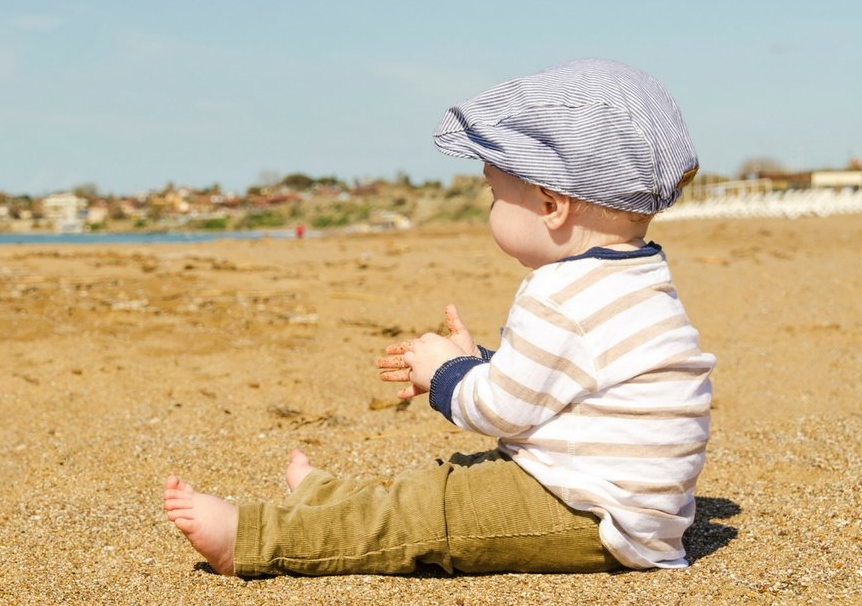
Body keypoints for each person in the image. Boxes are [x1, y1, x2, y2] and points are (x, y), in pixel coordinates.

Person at [163, 59, 715, 576]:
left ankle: (255, 539)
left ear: (551, 205)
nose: (491, 208)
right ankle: (328, 500)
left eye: (496, 195)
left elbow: (502, 412)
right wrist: (480, 362)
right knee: (448, 479)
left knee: (431, 511)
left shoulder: (558, 292)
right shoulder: (639, 277)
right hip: (631, 508)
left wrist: (445, 376)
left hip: (590, 515)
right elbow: (565, 384)